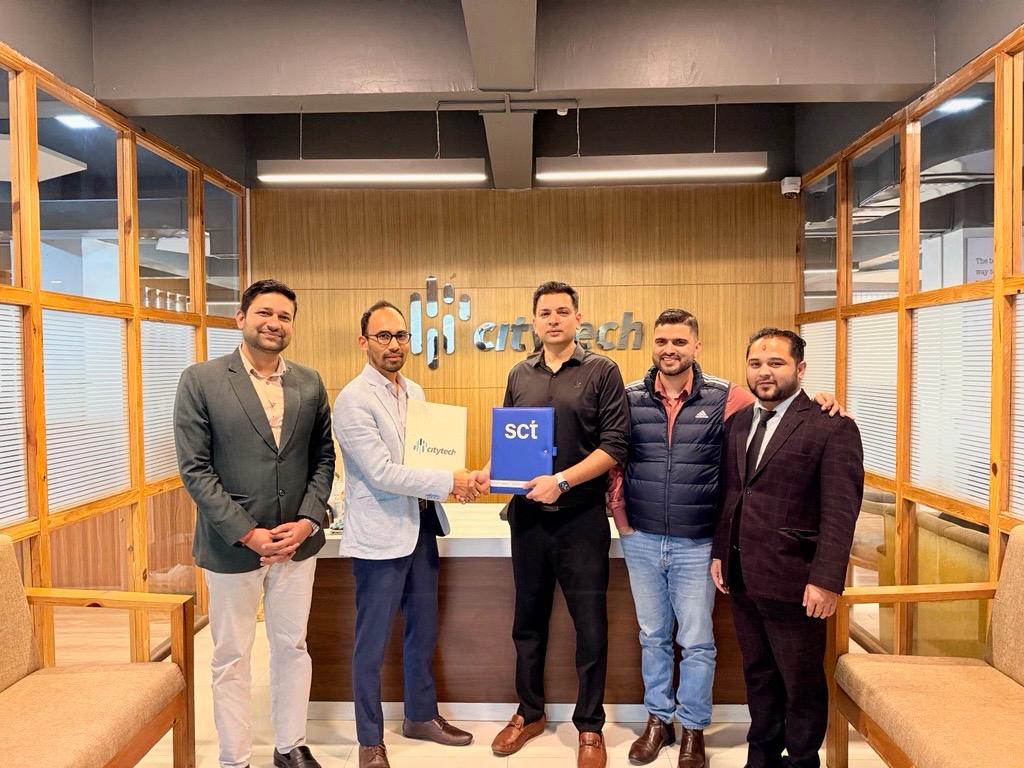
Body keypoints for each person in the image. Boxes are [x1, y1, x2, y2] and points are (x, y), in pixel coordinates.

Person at [607, 310, 842, 767]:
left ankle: (694, 727)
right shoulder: (630, 397)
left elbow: (780, 411)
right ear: (652, 346)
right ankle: (659, 719)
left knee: (697, 640)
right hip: (642, 538)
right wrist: (621, 517)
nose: (669, 349)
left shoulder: (726, 397)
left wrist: (821, 400)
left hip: (697, 541)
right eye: (661, 341)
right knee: (652, 635)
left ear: (697, 347)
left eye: (680, 341)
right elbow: (614, 457)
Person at [174, 279, 335, 768]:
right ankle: (235, 758)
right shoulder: (201, 380)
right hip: (231, 546)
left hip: (296, 545)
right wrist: (247, 532)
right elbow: (195, 469)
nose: (274, 323)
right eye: (265, 313)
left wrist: (308, 520)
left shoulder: (309, 382)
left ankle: (290, 746)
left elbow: (323, 457)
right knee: (232, 656)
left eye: (284, 316)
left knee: (292, 647)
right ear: (241, 317)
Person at [476, 281, 630, 768]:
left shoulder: (602, 371)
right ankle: (529, 713)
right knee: (528, 622)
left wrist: (562, 481)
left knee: (590, 626)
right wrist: (489, 471)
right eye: (545, 312)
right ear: (534, 321)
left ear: (578, 318)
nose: (554, 319)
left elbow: (615, 446)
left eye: (563, 311)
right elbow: (511, 441)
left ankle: (590, 726)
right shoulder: (519, 373)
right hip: (527, 520)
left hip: (581, 519)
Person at [333, 300, 478, 768]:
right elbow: (381, 472)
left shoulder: (413, 390)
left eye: (401, 336)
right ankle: (369, 740)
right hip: (380, 536)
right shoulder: (353, 399)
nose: (394, 344)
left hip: (422, 528)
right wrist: (448, 480)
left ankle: (420, 716)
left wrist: (452, 481)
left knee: (423, 630)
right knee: (371, 643)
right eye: (384, 336)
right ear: (364, 342)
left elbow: (424, 456)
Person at [711, 328, 863, 768]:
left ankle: (801, 760)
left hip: (797, 580)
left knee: (800, 683)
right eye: (756, 364)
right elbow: (731, 494)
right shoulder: (738, 423)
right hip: (743, 576)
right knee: (758, 675)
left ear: (800, 368)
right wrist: (721, 552)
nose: (765, 372)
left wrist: (826, 580)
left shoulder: (831, 426)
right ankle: (760, 758)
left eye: (776, 363)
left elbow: (841, 511)